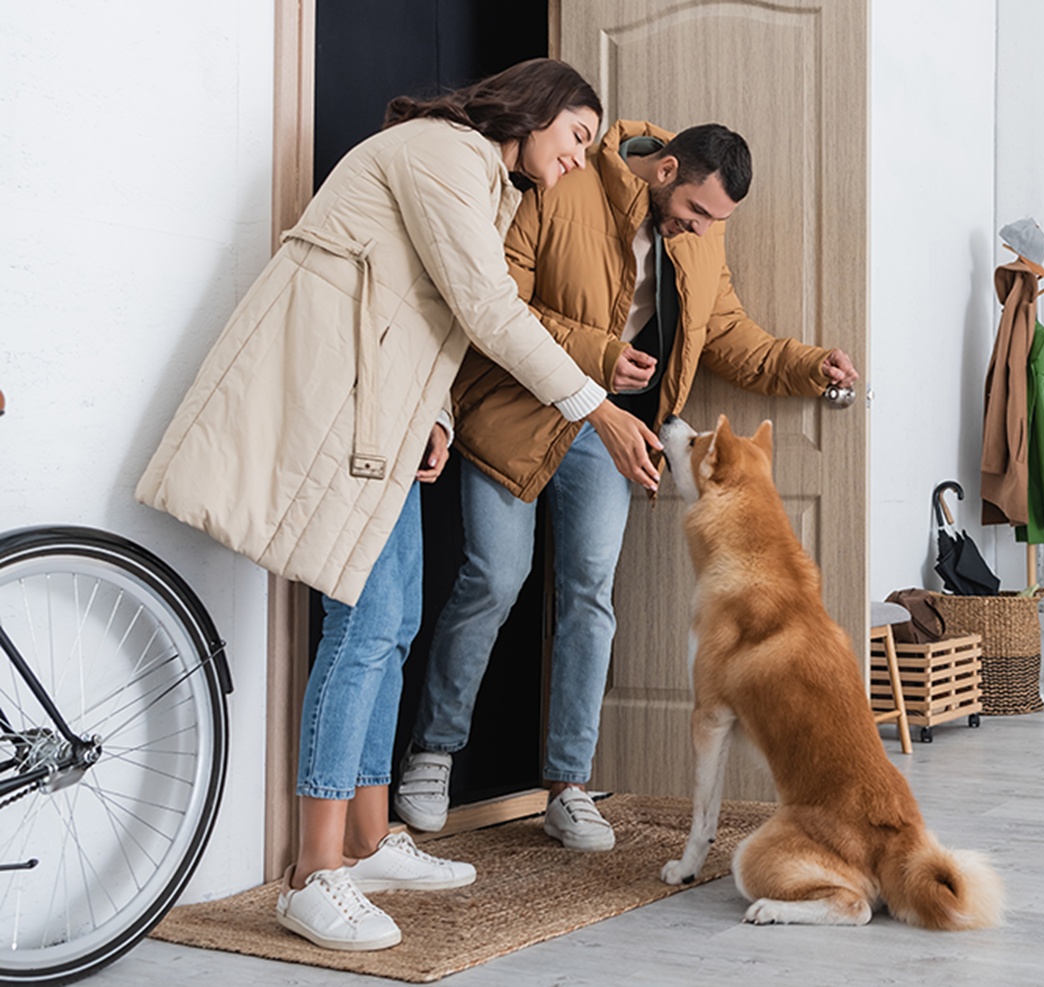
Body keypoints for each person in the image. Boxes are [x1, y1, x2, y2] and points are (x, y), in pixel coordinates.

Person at [137, 59, 662, 951]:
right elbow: (487, 308)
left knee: (400, 614)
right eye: (577, 135)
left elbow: (426, 319)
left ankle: (370, 837)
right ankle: (314, 871)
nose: (582, 157)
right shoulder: (444, 154)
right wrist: (596, 407)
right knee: (367, 623)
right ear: (534, 111)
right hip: (339, 399)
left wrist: (434, 413)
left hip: (384, 408)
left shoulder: (488, 184)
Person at [393, 121, 858, 850]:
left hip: (612, 436)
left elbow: (729, 334)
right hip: (520, 410)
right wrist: (599, 353)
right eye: (698, 212)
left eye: (716, 222)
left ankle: (568, 784)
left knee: (590, 594)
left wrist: (807, 366)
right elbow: (494, 298)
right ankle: (433, 753)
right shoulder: (567, 183)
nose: (703, 229)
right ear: (666, 169)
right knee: (494, 577)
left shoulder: (702, 236)